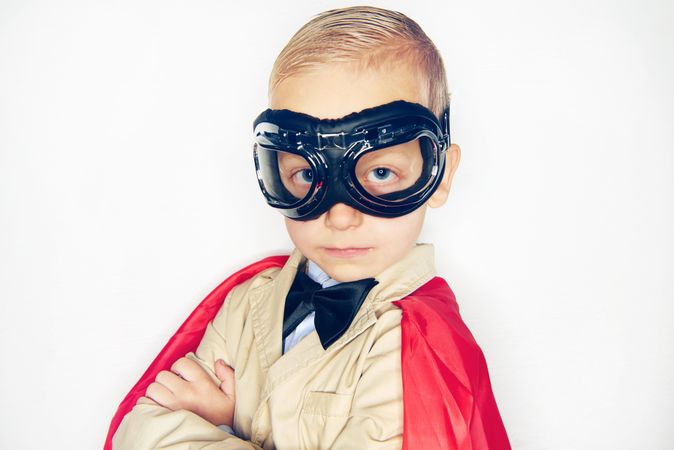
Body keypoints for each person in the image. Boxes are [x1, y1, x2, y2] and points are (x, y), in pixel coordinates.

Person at [108, 6, 510, 450]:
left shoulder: (414, 351)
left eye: (380, 174)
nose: (340, 217)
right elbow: (138, 430)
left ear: (440, 175)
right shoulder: (248, 302)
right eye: (306, 174)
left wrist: (221, 425)